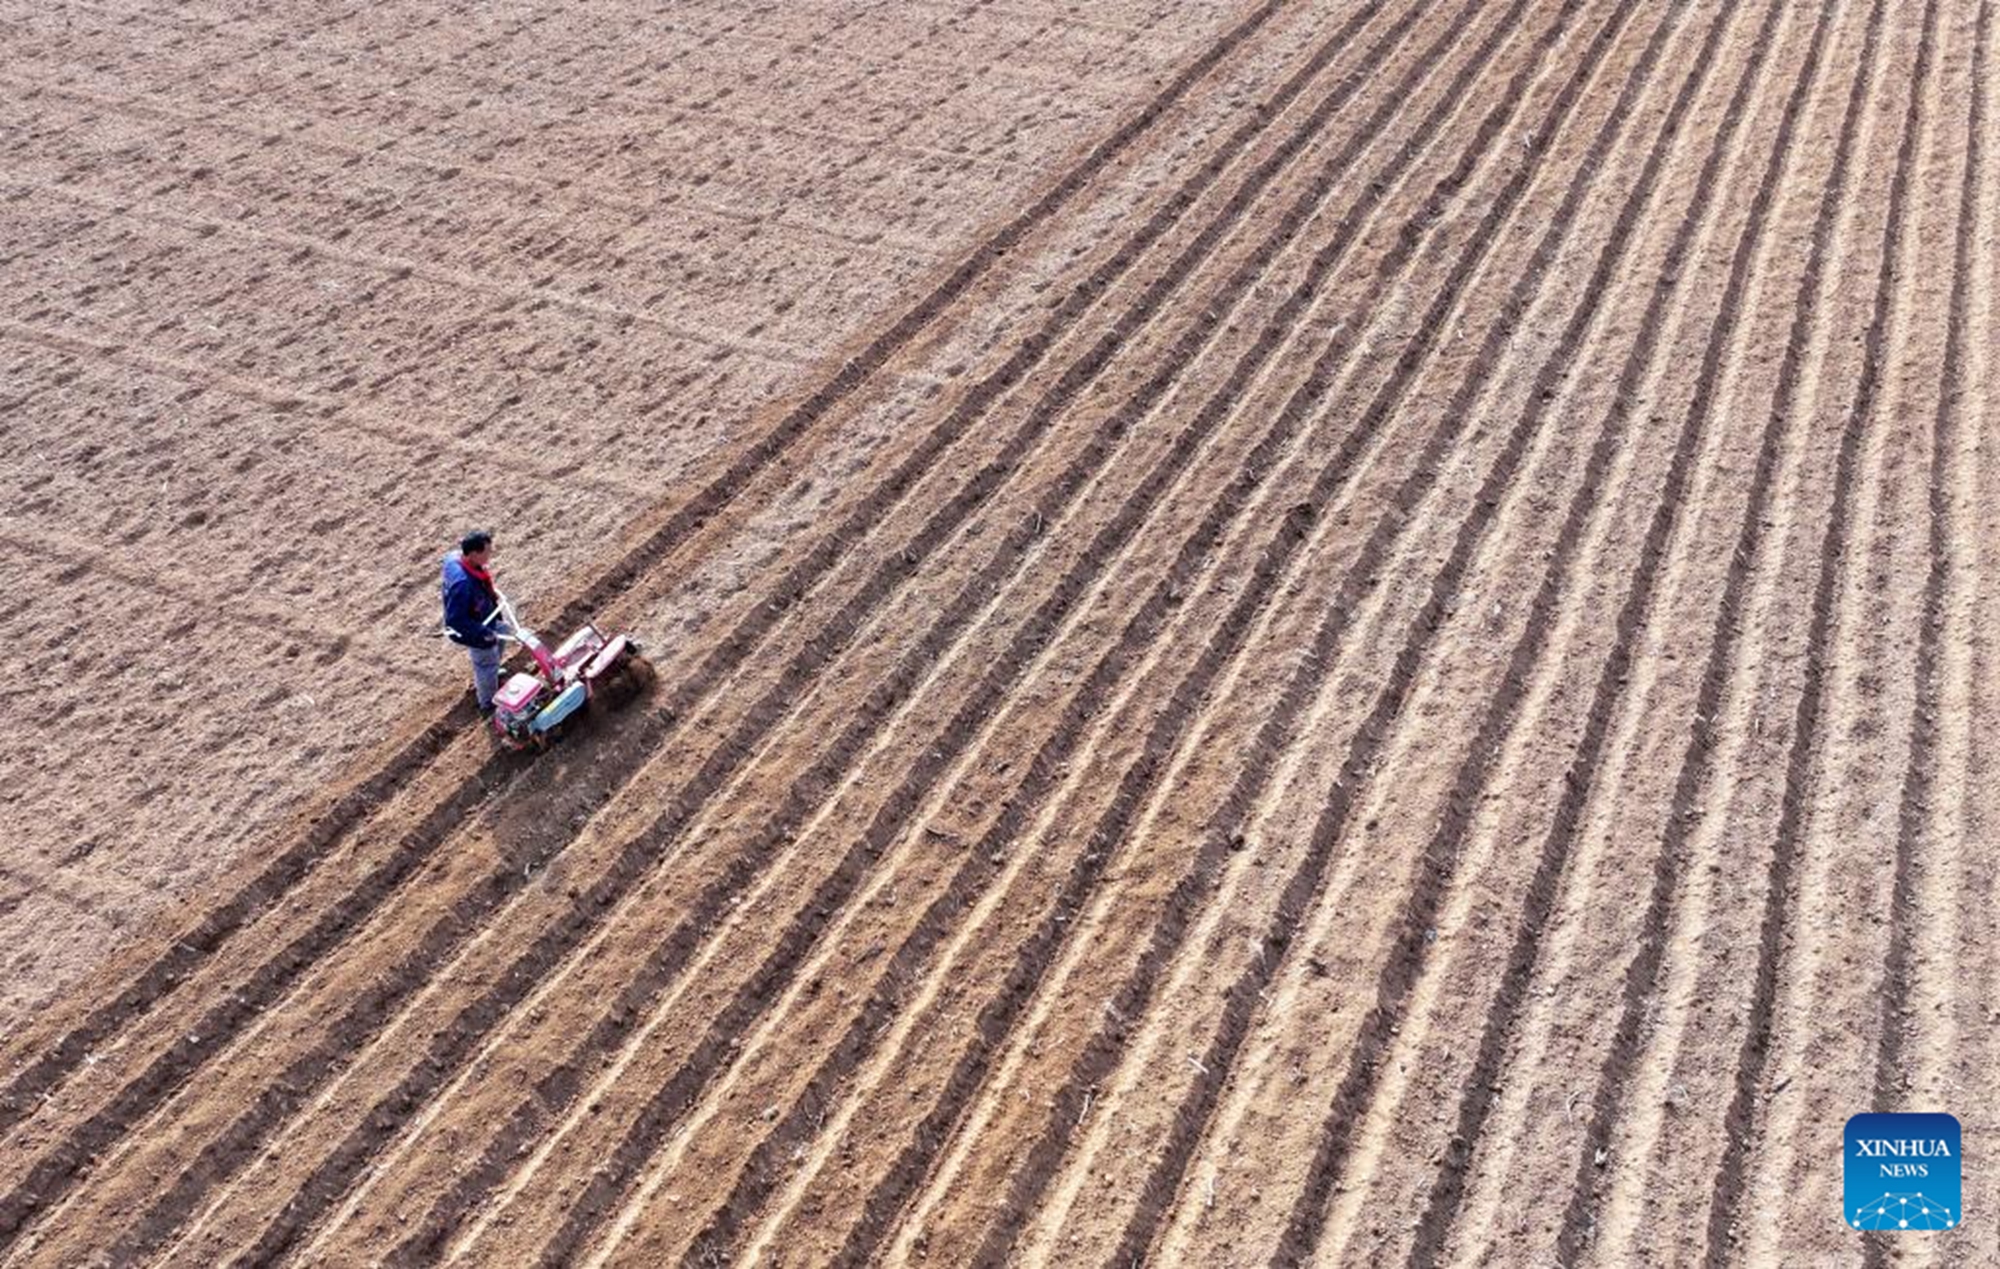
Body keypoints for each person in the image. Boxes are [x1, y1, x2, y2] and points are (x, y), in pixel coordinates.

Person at [441, 530, 508, 714]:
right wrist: (482, 633)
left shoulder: (454, 557)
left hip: (485, 613)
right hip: (472, 628)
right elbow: (455, 620)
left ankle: (492, 673)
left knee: (503, 635)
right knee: (486, 662)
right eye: (487, 552)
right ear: (473, 554)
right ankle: (488, 704)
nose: (490, 555)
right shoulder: (462, 584)